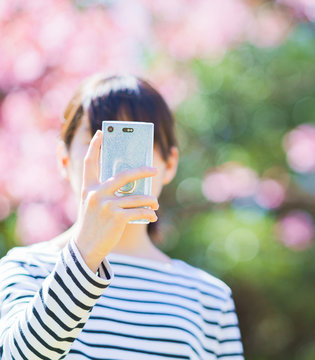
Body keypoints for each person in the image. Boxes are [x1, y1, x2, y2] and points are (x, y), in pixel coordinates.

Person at [0, 73, 245, 359]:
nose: (117, 163)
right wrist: (85, 254)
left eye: (137, 142)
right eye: (101, 138)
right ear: (64, 159)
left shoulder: (209, 298)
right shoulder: (23, 269)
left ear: (170, 164)